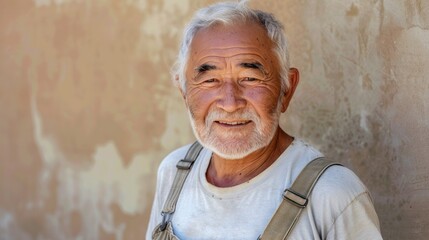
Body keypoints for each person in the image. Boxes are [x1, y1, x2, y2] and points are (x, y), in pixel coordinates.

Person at [146, 1, 383, 239]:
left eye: (249, 78)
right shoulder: (175, 172)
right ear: (184, 92)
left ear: (286, 89)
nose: (230, 103)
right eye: (210, 80)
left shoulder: (333, 194)